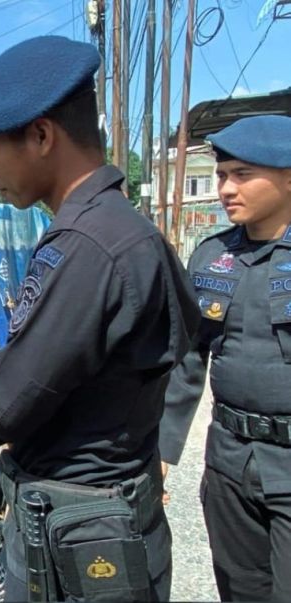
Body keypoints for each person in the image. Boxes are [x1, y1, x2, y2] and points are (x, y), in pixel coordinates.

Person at [0, 35, 201, 601]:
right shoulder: (117, 228)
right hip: (91, 520)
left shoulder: (90, 244)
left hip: (82, 536)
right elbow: (71, 373)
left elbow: (5, 399)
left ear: (42, 136)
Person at [159, 115, 291, 601]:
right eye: (221, 175)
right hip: (231, 462)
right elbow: (188, 359)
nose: (225, 188)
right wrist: (162, 449)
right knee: (241, 591)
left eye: (242, 175)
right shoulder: (212, 257)